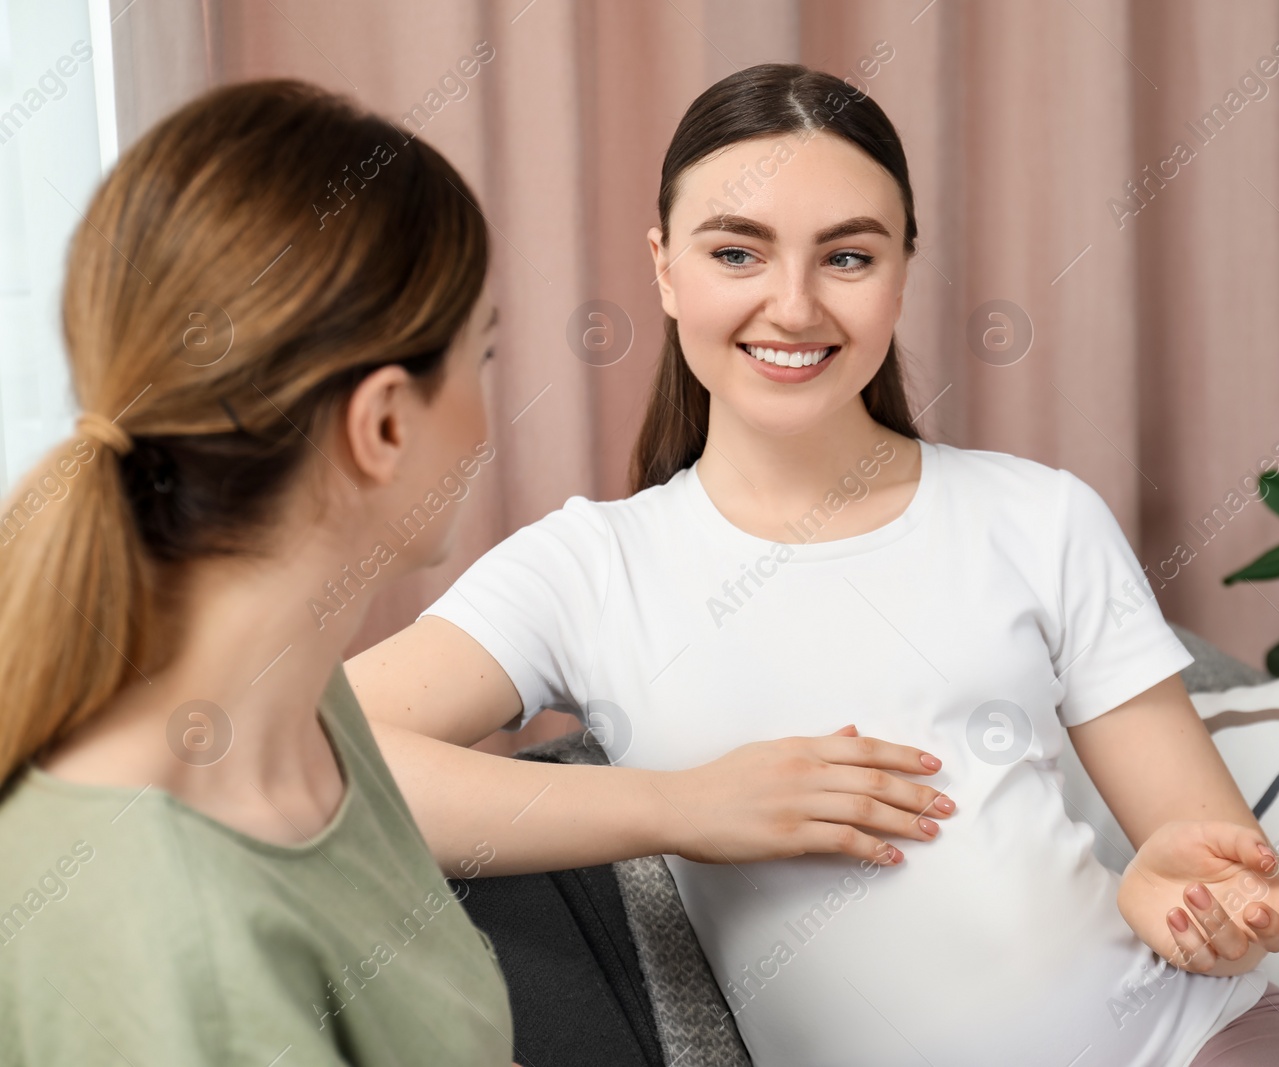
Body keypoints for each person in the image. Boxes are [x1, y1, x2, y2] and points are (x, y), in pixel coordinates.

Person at [349, 64, 1279, 1066]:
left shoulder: (1039, 514)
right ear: (664, 267)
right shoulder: (587, 567)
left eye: (846, 257)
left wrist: (1193, 901)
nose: (793, 308)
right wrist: (686, 805)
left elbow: (1206, 846)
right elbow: (320, 761)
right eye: (737, 253)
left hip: (1193, 1038)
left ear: (901, 271)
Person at [0, 77, 944, 1067]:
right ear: (386, 425)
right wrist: (686, 805)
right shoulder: (139, 916)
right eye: (480, 360)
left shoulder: (309, 726)